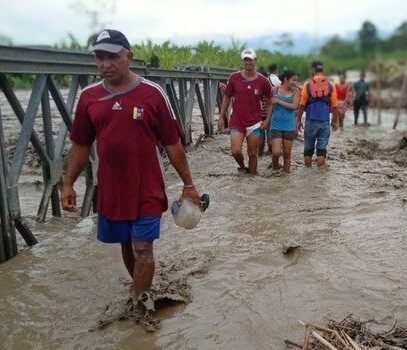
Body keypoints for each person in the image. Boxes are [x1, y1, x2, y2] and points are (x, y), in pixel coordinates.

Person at [60, 29, 201, 305]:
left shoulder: (152, 94)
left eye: (112, 56)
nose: (105, 63)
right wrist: (68, 183)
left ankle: (140, 307)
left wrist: (189, 185)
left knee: (142, 248)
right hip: (112, 190)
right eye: (100, 57)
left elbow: (173, 144)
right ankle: (140, 289)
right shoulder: (89, 97)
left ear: (129, 57)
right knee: (127, 245)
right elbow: (80, 145)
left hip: (146, 187)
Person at [218, 48, 272, 175]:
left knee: (253, 154)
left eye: (250, 60)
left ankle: (252, 181)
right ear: (243, 61)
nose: (248, 62)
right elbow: (227, 96)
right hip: (237, 121)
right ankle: (242, 167)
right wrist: (221, 116)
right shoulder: (234, 77)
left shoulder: (263, 81)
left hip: (254, 122)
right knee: (235, 151)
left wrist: (267, 120)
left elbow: (270, 101)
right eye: (245, 60)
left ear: (255, 60)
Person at [297, 61, 338, 168]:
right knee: (321, 150)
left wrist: (298, 120)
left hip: (310, 120)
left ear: (313, 72)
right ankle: (320, 178)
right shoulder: (330, 85)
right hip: (324, 121)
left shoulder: (307, 85)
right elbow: (334, 106)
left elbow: (301, 104)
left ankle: (308, 176)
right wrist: (334, 121)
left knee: (308, 149)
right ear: (323, 72)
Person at [269, 70, 300, 172]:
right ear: (286, 79)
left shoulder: (296, 91)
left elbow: (294, 107)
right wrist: (266, 120)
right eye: (293, 80)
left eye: (296, 80)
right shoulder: (275, 90)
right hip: (276, 124)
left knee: (287, 154)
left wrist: (278, 101)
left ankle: (286, 177)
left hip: (289, 125)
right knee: (276, 153)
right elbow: (269, 105)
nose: (295, 83)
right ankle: (275, 168)